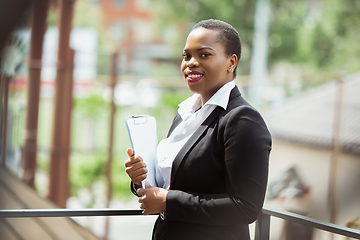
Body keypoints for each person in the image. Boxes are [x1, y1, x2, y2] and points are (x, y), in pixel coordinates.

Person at [125, 19, 272, 240]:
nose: (191, 63)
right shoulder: (185, 113)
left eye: (204, 55)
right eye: (186, 56)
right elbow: (171, 182)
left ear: (231, 62)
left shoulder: (242, 120)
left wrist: (167, 201)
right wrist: (140, 179)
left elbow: (245, 207)